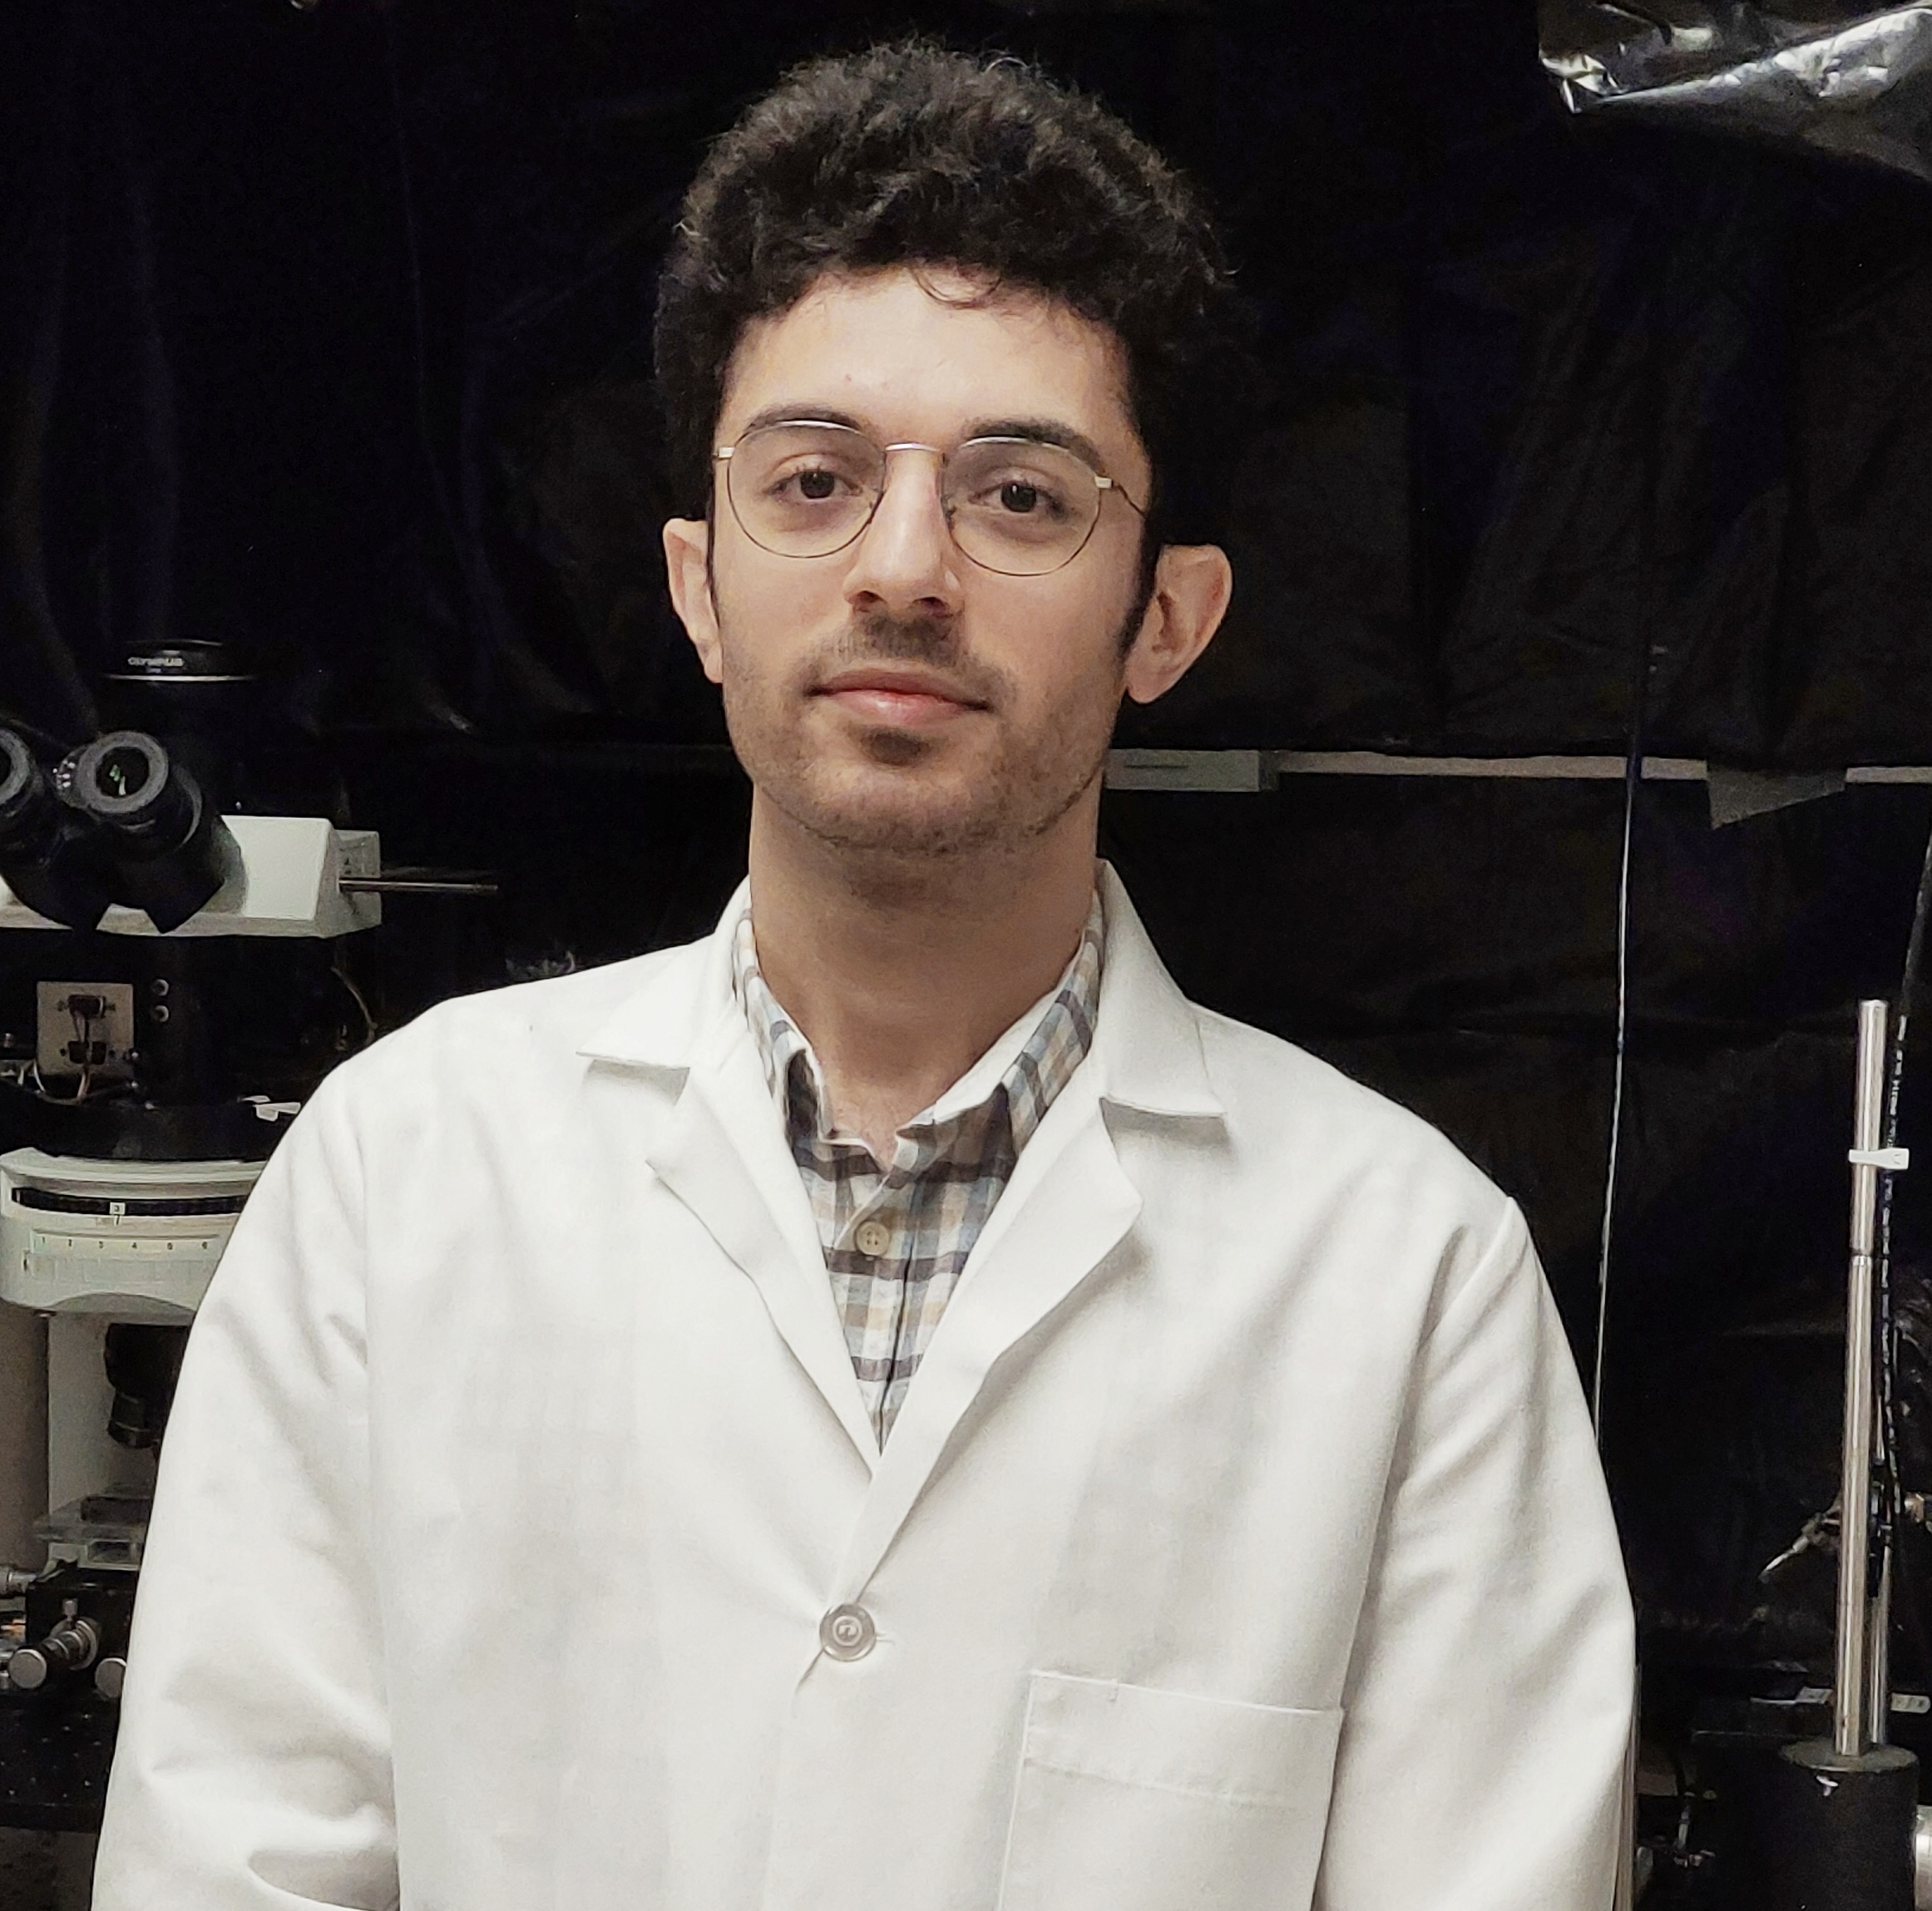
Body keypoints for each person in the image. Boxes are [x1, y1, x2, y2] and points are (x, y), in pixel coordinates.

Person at [95, 41, 1633, 1911]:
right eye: (813, 479)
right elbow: (230, 1867)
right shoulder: (399, 1177)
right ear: (696, 580)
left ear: (1168, 617)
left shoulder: (1407, 1284)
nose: (903, 568)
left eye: (1020, 498)